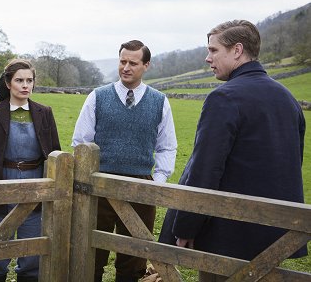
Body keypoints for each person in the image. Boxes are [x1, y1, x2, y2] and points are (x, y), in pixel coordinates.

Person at [159, 20, 307, 281]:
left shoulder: (224, 98)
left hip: (227, 236)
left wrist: (185, 226)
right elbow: (291, 164)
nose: (207, 58)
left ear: (237, 50)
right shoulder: (287, 99)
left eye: (214, 50)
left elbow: (205, 169)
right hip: (275, 235)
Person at [72, 40, 177, 282]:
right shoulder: (98, 97)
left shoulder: (159, 101)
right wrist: (90, 178)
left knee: (134, 258)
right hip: (99, 185)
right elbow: (81, 142)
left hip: (141, 187)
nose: (126, 67)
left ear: (146, 65)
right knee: (91, 255)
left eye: (133, 62)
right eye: (122, 61)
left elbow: (167, 146)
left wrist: (156, 183)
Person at [0, 59, 61, 282]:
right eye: (19, 80)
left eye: (29, 80)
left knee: (32, 258)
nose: (25, 85)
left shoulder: (44, 112)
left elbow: (56, 151)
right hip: (0, 186)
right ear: (8, 83)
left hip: (36, 188)